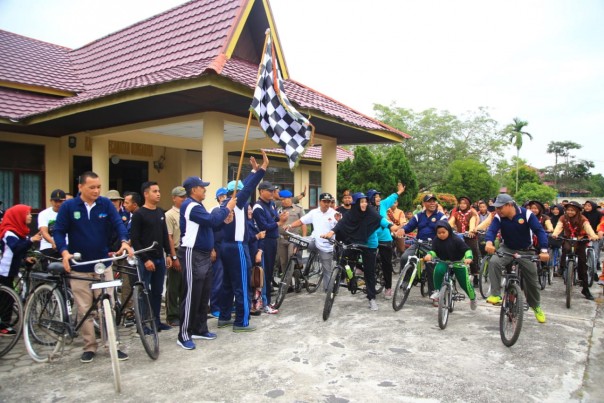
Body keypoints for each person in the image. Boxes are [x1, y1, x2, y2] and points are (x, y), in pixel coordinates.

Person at [53, 171, 133, 363]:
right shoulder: (69, 207)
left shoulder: (105, 204)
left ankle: (111, 344)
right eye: (92, 187)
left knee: (108, 305)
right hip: (80, 266)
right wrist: (64, 252)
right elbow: (59, 231)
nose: (96, 190)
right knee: (85, 308)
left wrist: (124, 241)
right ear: (80, 187)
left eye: (98, 187)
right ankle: (89, 346)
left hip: (102, 264)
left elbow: (118, 224)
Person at [177, 176, 236, 350]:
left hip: (203, 254)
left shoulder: (199, 206)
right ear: (193, 189)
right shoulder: (190, 205)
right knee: (191, 295)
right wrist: (226, 207)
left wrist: (224, 219)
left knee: (203, 293)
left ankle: (199, 328)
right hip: (191, 253)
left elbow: (210, 226)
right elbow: (211, 220)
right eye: (202, 187)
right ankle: (184, 334)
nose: (205, 189)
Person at [321, 192, 401, 311]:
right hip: (355, 241)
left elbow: (381, 220)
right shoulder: (351, 213)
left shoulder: (371, 212)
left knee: (369, 271)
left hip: (370, 244)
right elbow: (341, 224)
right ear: (356, 203)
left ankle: (371, 298)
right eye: (361, 202)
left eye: (365, 201)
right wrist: (331, 232)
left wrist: (391, 226)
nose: (364, 204)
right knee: (344, 260)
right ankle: (349, 279)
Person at [218, 152, 268, 331]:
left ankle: (224, 317)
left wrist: (253, 171)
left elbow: (245, 184)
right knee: (242, 284)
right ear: (237, 192)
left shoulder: (225, 203)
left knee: (227, 284)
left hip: (225, 246)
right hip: (237, 247)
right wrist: (262, 169)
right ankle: (241, 321)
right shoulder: (237, 202)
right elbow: (248, 187)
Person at [484, 194, 549, 323]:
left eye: (500, 208)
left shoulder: (527, 214)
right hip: (507, 248)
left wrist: (544, 250)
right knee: (494, 261)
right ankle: (496, 294)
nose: (497, 211)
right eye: (496, 208)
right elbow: (491, 230)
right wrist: (489, 243)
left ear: (509, 205)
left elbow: (539, 231)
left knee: (532, 280)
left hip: (526, 250)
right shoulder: (499, 217)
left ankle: (536, 306)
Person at [130, 182, 173, 331]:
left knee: (157, 291)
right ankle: (142, 324)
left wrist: (168, 254)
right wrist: (145, 259)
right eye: (155, 191)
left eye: (159, 190)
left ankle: (156, 321)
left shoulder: (160, 212)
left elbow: (164, 235)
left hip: (160, 259)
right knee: (143, 292)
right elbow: (135, 239)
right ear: (146, 194)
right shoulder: (139, 214)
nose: (158, 194)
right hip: (145, 261)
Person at [0, 205, 42, 335]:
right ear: (18, 216)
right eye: (27, 214)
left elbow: (19, 252)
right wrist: (31, 240)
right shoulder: (8, 232)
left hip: (11, 270)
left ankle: (5, 324)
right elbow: (15, 248)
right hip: (3, 270)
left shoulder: (19, 231)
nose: (30, 216)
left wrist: (25, 259)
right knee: (6, 297)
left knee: (8, 297)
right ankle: (3, 326)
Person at [285, 192, 338, 291]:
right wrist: (290, 226)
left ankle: (328, 293)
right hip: (313, 241)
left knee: (327, 271)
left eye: (328, 201)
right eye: (324, 201)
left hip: (326, 246)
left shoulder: (335, 214)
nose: (326, 203)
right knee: (298, 239)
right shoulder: (314, 212)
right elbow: (302, 221)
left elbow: (341, 226)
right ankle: (297, 264)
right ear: (319, 202)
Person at [400, 194, 448, 300]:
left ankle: (434, 294)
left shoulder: (441, 216)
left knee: (431, 266)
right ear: (424, 204)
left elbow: (444, 230)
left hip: (433, 246)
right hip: (418, 243)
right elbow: (409, 226)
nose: (432, 203)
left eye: (434, 201)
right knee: (404, 257)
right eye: (429, 201)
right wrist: (402, 230)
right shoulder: (419, 216)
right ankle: (406, 280)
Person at [253, 180, 289, 313]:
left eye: (273, 190)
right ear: (261, 191)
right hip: (264, 242)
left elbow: (273, 220)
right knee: (265, 272)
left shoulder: (271, 204)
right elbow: (264, 227)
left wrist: (280, 218)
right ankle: (265, 303)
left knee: (270, 272)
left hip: (273, 240)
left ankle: (267, 300)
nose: (273, 193)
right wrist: (280, 222)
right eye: (270, 191)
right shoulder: (258, 207)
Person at [423, 221, 477, 310]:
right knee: (438, 270)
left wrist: (469, 257)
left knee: (464, 283)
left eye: (443, 232)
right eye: (439, 233)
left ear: (448, 230)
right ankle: (437, 291)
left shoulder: (456, 239)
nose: (441, 235)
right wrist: (429, 255)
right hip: (444, 261)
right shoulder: (436, 240)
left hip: (458, 262)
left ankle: (472, 297)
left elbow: (467, 250)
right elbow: (433, 251)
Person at [551, 201, 599, 300]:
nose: (570, 212)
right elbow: (559, 227)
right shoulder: (563, 218)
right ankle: (562, 268)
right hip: (568, 239)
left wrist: (594, 236)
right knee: (565, 249)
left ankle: (585, 289)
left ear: (577, 211)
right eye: (568, 210)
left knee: (582, 264)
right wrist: (555, 234)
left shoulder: (583, 219)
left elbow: (588, 228)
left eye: (572, 210)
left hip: (580, 240)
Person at [367, 182, 406, 299]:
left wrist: (400, 192)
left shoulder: (383, 204)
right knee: (368, 263)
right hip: (371, 238)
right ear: (370, 199)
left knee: (386, 264)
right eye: (375, 197)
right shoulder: (366, 208)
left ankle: (388, 287)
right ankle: (370, 286)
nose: (378, 198)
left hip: (385, 238)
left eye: (378, 196)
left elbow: (392, 197)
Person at [164, 186, 186, 327]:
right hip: (176, 250)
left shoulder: (187, 212)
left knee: (185, 284)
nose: (184, 199)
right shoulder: (170, 215)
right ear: (174, 198)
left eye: (185, 196)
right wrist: (173, 257)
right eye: (181, 197)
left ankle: (183, 312)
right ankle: (172, 315)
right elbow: (169, 237)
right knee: (173, 286)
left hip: (187, 250)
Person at [277, 189, 307, 290]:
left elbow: (303, 223)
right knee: (284, 262)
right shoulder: (277, 209)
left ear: (290, 198)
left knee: (293, 259)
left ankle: (298, 281)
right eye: (283, 199)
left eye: (288, 198)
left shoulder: (298, 209)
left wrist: (304, 238)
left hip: (294, 239)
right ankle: (287, 285)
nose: (286, 201)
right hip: (281, 239)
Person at [448, 196, 480, 286]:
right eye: (461, 203)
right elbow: (451, 222)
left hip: (470, 236)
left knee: (473, 254)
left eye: (464, 203)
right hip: (459, 236)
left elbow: (473, 222)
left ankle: (475, 275)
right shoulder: (456, 213)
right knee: (453, 253)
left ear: (468, 204)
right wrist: (446, 228)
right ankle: (452, 273)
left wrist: (471, 230)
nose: (462, 205)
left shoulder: (472, 213)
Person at [209, 187, 228, 318]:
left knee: (226, 278)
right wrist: (212, 249)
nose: (226, 198)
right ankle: (215, 306)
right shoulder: (216, 211)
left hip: (226, 247)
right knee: (218, 279)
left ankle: (224, 304)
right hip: (217, 247)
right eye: (224, 196)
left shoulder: (227, 211)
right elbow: (209, 231)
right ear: (220, 198)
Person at [37, 189, 66, 258]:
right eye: (56, 201)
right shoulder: (44, 214)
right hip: (49, 246)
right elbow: (44, 232)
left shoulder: (69, 212)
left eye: (61, 201)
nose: (58, 204)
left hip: (67, 245)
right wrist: (53, 242)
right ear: (51, 201)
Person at [582, 201, 602, 273]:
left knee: (595, 253)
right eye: (586, 205)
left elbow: (601, 224)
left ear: (593, 206)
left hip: (595, 236)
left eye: (589, 206)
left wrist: (598, 233)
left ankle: (594, 271)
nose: (587, 207)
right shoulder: (582, 214)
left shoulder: (599, 214)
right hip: (584, 236)